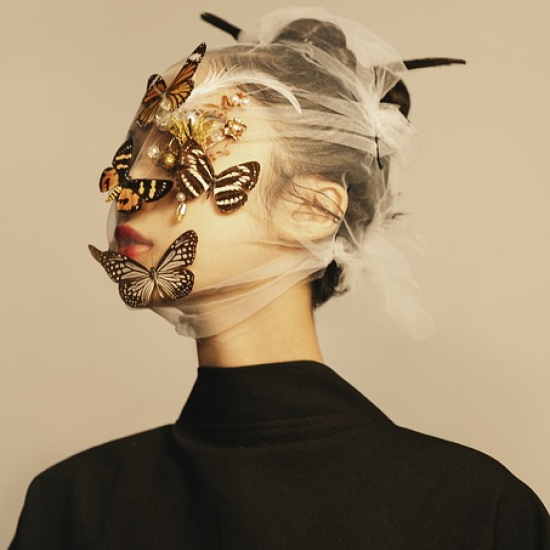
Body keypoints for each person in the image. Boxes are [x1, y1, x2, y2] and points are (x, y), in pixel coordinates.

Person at [8, 7, 550, 549]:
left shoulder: (472, 513)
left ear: (314, 209)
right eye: (132, 152)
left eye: (180, 150)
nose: (130, 186)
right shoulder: (72, 505)